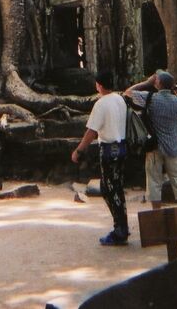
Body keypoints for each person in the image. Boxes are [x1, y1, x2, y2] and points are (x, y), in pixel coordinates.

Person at [71, 70, 129, 245]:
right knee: (115, 187)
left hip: (109, 149)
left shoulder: (101, 104)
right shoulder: (120, 99)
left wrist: (79, 150)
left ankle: (120, 230)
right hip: (122, 146)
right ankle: (122, 226)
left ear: (99, 85)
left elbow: (92, 131)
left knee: (109, 189)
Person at [125, 69, 177, 209]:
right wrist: (176, 89)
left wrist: (146, 83)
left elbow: (128, 92)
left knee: (154, 182)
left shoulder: (150, 98)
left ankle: (156, 214)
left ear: (158, 83)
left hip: (154, 146)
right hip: (173, 146)